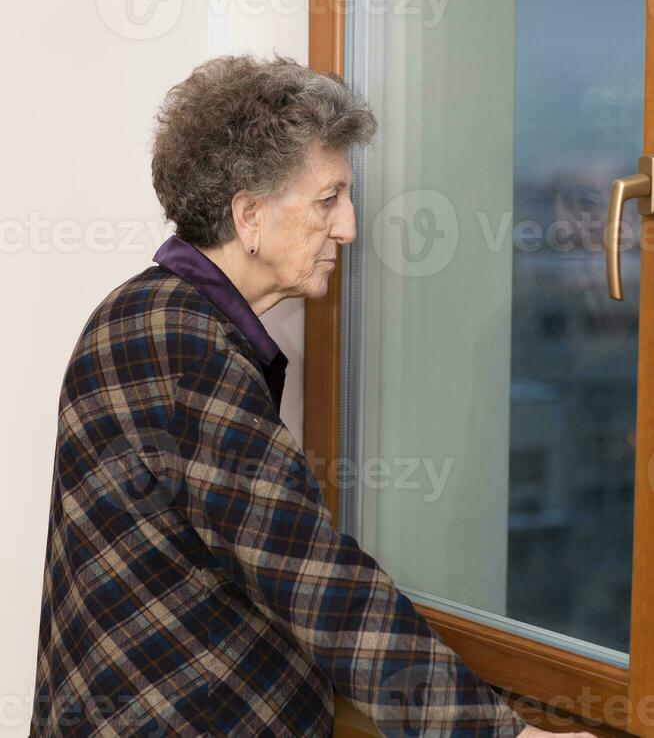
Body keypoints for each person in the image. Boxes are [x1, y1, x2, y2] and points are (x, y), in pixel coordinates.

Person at [28, 54, 597, 737]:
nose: (349, 227)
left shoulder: (157, 315)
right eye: (329, 199)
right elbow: (310, 573)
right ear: (249, 216)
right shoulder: (177, 338)